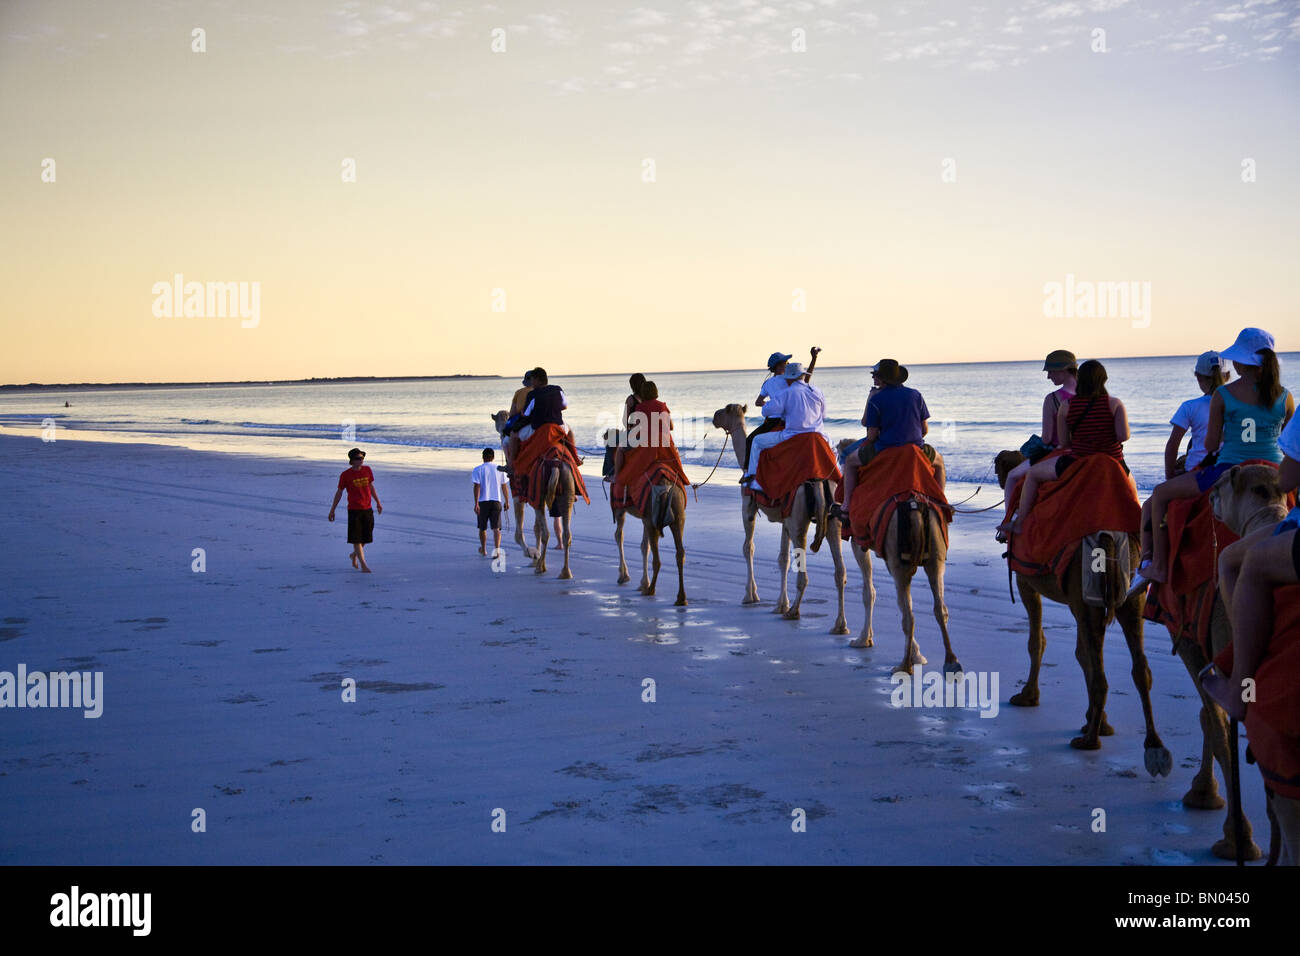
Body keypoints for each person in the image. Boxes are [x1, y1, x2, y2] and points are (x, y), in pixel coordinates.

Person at [1142, 328, 1293, 583]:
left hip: (1229, 468)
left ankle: (1156, 565)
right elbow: (1288, 446)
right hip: (1275, 470)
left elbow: (1211, 445)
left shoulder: (1223, 395)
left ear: (1239, 362)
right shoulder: (1285, 396)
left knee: (1159, 495)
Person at [1010, 359, 1130, 534]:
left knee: (1033, 476)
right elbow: (1123, 436)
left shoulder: (1067, 405)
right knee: (1132, 491)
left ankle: (1020, 523)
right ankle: (1140, 537)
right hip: (1113, 460)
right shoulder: (1115, 403)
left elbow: (1065, 442)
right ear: (1103, 379)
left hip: (1078, 460)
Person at [834, 359, 942, 520]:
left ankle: (847, 505)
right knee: (939, 463)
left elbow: (871, 436)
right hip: (915, 448)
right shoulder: (916, 395)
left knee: (849, 462)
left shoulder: (876, 399)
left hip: (885, 449)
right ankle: (940, 503)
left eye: (875, 375)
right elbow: (924, 430)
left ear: (883, 378)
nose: (873, 378)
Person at [997, 350, 1078, 538]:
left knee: (1012, 476)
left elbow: (1048, 438)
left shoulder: (1053, 399)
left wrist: (1034, 444)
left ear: (1065, 370)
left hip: (1061, 455)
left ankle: (1010, 523)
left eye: (1051, 371)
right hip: (1091, 453)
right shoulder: (1093, 395)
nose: (1049, 376)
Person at [742, 362, 827, 493]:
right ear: (803, 376)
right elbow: (823, 415)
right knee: (835, 453)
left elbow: (766, 411)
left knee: (756, 441)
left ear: (789, 378)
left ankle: (754, 480)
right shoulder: (817, 390)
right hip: (818, 436)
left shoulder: (786, 393)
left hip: (792, 435)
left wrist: (773, 404)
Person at [744, 347, 820, 475]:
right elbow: (806, 380)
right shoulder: (791, 380)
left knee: (751, 440)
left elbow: (758, 402)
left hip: (773, 421)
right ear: (779, 366)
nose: (787, 364)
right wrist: (814, 359)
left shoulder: (768, 383)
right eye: (785, 363)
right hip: (792, 419)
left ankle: (749, 473)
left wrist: (770, 404)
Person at [328, 447, 382, 573]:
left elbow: (371, 486)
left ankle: (354, 555)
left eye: (362, 457)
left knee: (366, 537)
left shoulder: (367, 470)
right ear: (352, 461)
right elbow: (339, 492)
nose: (361, 460)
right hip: (354, 510)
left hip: (367, 508)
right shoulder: (345, 475)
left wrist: (378, 502)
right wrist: (332, 510)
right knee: (356, 538)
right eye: (358, 458)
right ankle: (363, 565)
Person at [472, 447, 510, 556]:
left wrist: (476, 503)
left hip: (483, 501)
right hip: (496, 501)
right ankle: (497, 551)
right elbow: (504, 486)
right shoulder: (499, 469)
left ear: (483, 457)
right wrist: (507, 501)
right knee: (496, 528)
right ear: (493, 457)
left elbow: (477, 487)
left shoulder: (478, 469)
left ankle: (484, 550)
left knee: (482, 528)